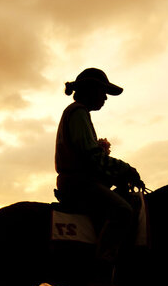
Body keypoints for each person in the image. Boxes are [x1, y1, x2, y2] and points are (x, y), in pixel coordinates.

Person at [54, 68, 144, 270]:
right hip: (79, 183)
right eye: (103, 92)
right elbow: (91, 155)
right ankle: (102, 266)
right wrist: (126, 169)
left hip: (76, 181)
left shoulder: (78, 112)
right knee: (123, 211)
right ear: (91, 90)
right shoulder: (78, 113)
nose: (105, 98)